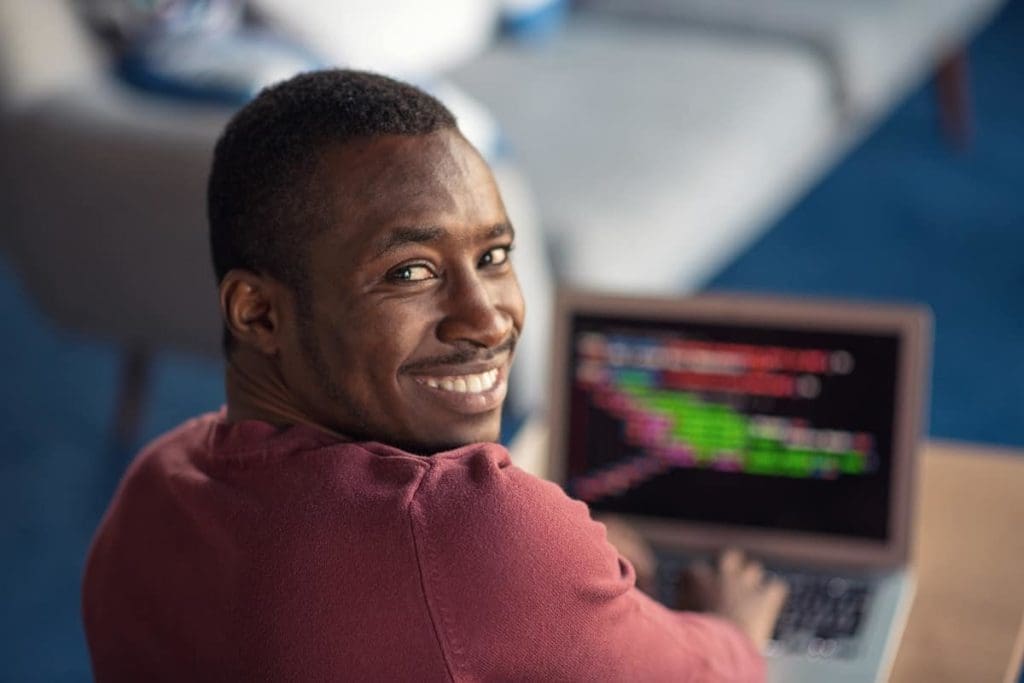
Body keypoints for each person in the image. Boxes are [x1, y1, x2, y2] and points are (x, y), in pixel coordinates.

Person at [82, 69, 786, 681]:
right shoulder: (470, 529)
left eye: (493, 255)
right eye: (409, 272)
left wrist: (558, 577)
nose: (486, 320)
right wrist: (731, 628)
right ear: (259, 312)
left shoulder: (151, 488)